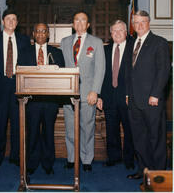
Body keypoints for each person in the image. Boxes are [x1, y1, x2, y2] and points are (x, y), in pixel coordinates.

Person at [0, 9, 31, 171]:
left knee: (18, 125)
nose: (11, 22)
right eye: (8, 19)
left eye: (14, 19)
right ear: (3, 21)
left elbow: (29, 66)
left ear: (17, 23)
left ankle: (16, 157)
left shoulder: (24, 40)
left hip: (18, 88)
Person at [126, 10, 170, 179]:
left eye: (142, 22)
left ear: (149, 22)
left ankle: (159, 174)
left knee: (156, 138)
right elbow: (129, 73)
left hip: (152, 100)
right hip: (134, 100)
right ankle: (144, 170)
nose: (139, 25)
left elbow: (164, 71)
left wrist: (155, 94)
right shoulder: (131, 44)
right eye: (136, 22)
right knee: (139, 138)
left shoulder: (159, 43)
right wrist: (128, 95)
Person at [60, 11, 105, 172]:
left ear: (88, 25)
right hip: (68, 94)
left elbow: (100, 69)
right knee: (70, 129)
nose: (79, 24)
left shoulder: (96, 42)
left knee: (87, 128)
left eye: (83, 21)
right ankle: (72, 158)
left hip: (88, 94)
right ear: (73, 24)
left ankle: (87, 160)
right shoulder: (64, 42)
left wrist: (95, 91)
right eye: (76, 20)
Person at [19, 23, 65, 175]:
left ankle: (48, 164)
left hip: (50, 102)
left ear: (48, 34)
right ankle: (31, 164)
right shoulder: (24, 52)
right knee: (31, 133)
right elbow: (20, 74)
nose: (40, 34)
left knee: (48, 133)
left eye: (43, 31)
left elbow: (62, 76)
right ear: (33, 34)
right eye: (37, 31)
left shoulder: (56, 53)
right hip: (31, 101)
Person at [97, 20, 134, 169]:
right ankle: (114, 157)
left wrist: (131, 94)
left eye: (120, 30)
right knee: (111, 129)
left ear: (126, 32)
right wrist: (99, 95)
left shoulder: (134, 49)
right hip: (109, 96)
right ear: (110, 34)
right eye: (114, 31)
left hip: (127, 96)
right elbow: (100, 74)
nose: (117, 33)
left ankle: (129, 159)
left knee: (129, 129)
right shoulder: (105, 50)